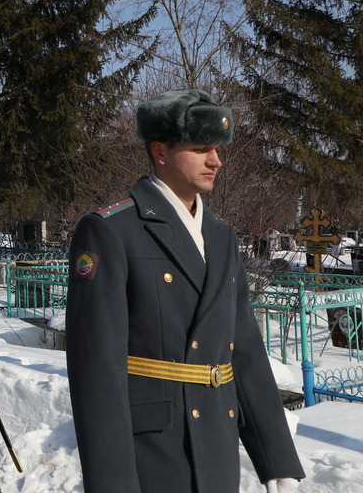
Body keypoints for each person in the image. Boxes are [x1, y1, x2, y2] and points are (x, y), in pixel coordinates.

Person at [66, 89, 305, 493]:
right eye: (201, 149)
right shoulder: (111, 229)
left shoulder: (222, 235)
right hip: (153, 451)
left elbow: (243, 348)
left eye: (217, 149)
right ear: (160, 151)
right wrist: (112, 483)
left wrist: (276, 457)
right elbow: (97, 370)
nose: (217, 161)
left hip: (216, 442)